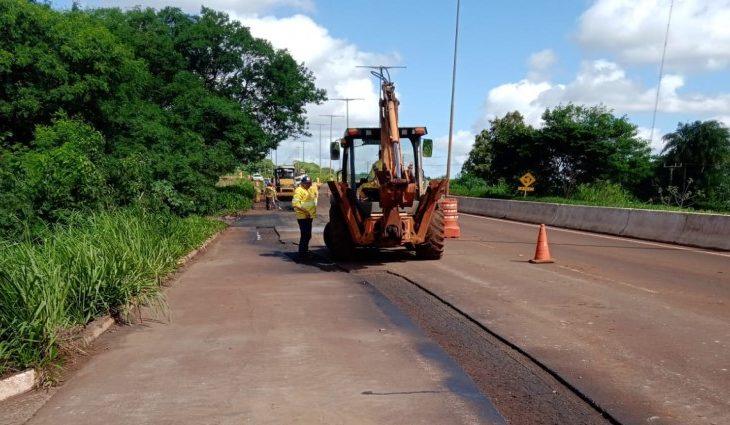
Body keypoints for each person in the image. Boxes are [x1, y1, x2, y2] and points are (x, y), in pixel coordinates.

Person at [292, 175, 318, 260]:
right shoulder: (299, 190)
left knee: (307, 235)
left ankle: (304, 252)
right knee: (305, 235)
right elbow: (295, 204)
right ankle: (303, 254)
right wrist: (306, 212)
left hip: (308, 217)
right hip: (303, 217)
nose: (309, 185)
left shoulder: (307, 190)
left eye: (310, 183)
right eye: (307, 183)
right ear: (303, 183)